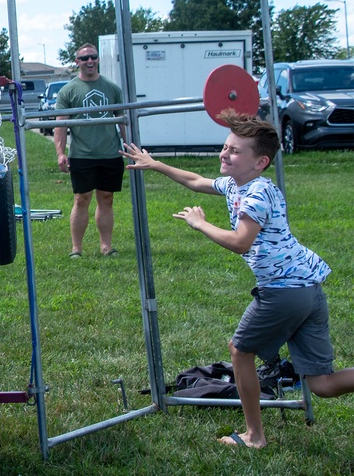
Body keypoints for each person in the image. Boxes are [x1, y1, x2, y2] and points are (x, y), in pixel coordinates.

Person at [121, 109, 354, 450]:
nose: (224, 153)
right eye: (225, 146)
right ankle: (254, 432)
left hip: (283, 291)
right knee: (322, 383)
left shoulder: (256, 194)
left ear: (260, 162)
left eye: (234, 150)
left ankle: (254, 436)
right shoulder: (236, 183)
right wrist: (156, 165)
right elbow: (197, 181)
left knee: (240, 352)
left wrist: (200, 224)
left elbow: (241, 241)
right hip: (308, 287)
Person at [53, 43, 126, 258]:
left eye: (93, 57)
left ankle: (106, 247)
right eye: (84, 58)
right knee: (81, 199)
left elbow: (123, 121)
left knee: (107, 198)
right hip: (82, 155)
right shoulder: (68, 91)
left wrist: (131, 148)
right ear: (77, 62)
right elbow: (60, 125)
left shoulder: (112, 89)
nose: (90, 61)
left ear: (98, 59)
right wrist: (60, 153)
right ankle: (76, 249)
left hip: (110, 154)